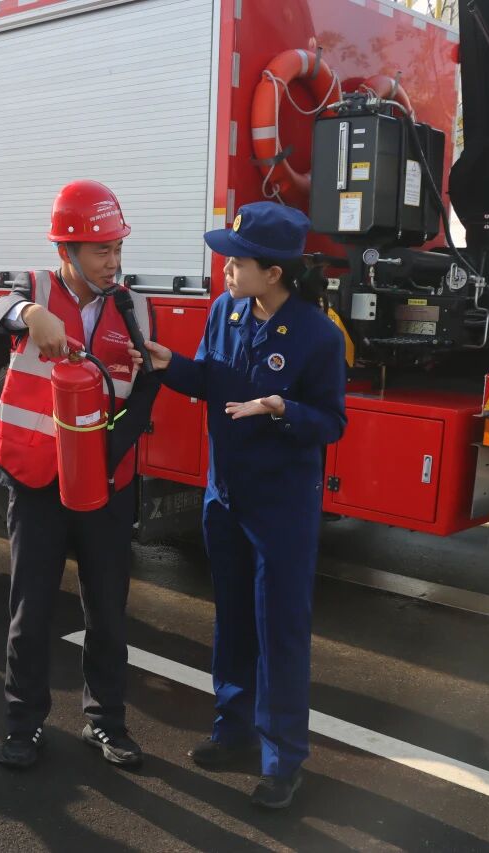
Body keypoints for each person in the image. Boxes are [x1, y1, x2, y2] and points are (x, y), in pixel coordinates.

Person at [137, 201, 346, 808]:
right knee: (231, 618)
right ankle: (232, 731)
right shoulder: (225, 311)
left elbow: (331, 422)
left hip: (280, 506)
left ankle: (283, 760)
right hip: (224, 495)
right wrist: (170, 365)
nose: (225, 269)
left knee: (279, 630)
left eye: (236, 262)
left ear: (274, 272)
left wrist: (283, 409)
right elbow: (210, 378)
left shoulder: (318, 335)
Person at [0, 180, 160, 770]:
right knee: (30, 611)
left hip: (105, 485)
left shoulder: (134, 308)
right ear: (67, 250)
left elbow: (143, 394)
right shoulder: (34, 291)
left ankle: (106, 721)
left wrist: (106, 460)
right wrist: (30, 315)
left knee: (107, 612)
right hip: (37, 481)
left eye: (117, 248)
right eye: (101, 250)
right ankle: (22, 724)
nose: (113, 261)